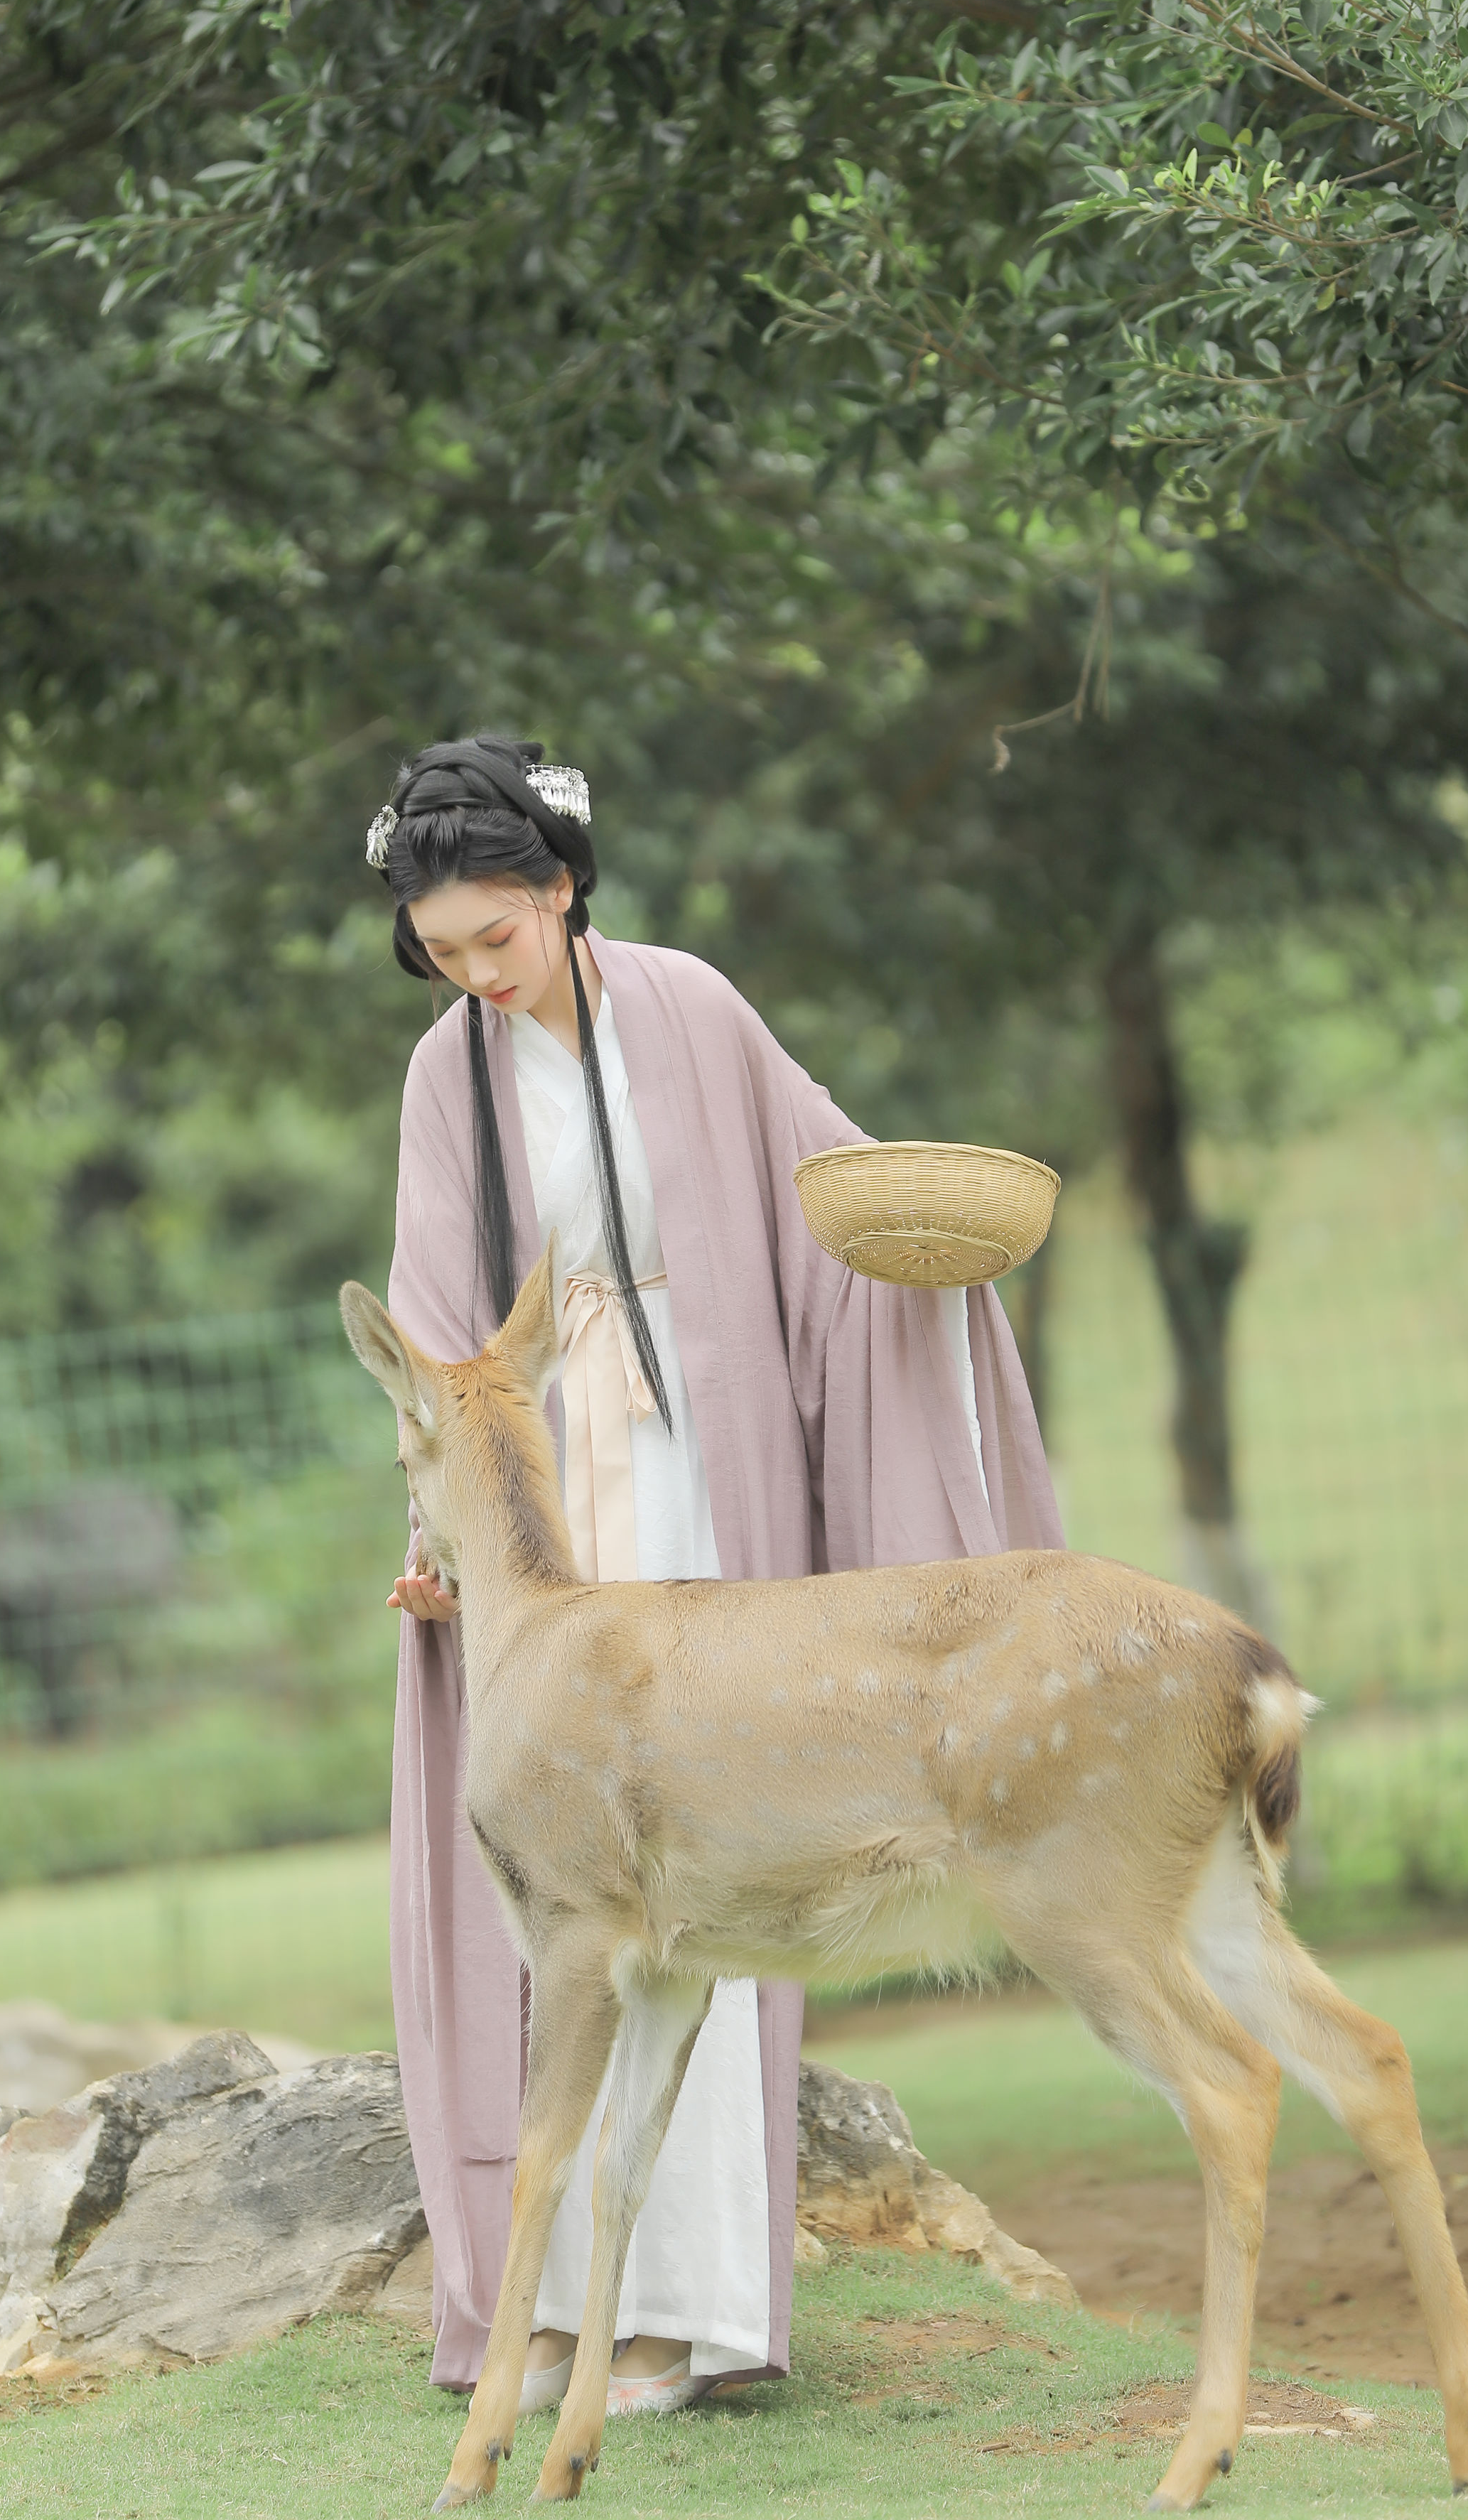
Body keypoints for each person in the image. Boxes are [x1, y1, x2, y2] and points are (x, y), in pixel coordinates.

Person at [374, 733, 1061, 2417]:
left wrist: (929, 1247)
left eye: (497, 939)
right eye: (443, 952)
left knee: (700, 1855)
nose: (474, 974)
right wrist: (437, 1534)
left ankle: (690, 2311)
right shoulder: (439, 1076)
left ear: (562, 890)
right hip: (542, 1495)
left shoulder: (690, 1007)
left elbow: (836, 1188)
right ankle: (543, 2308)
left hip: (702, 1474)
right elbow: (435, 1337)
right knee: (557, 1876)